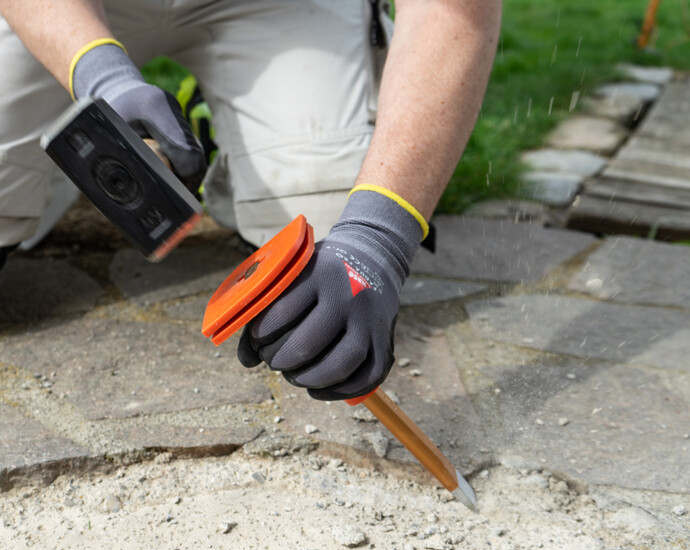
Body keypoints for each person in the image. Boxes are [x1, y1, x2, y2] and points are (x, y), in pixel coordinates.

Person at [0, 0, 502, 400]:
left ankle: (218, 130)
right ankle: (68, 139)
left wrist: (377, 239)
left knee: (327, 251)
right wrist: (101, 75)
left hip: (280, 10)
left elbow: (450, 9)